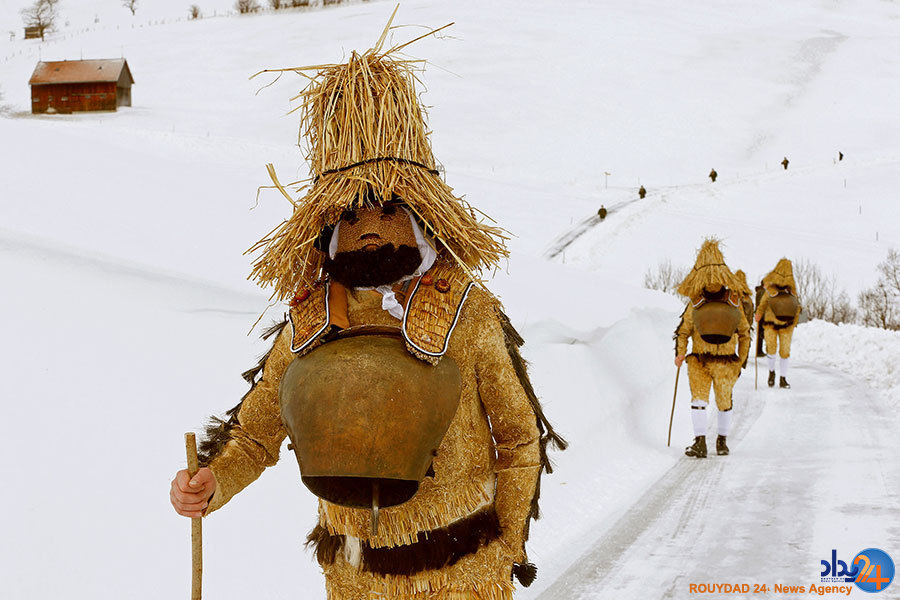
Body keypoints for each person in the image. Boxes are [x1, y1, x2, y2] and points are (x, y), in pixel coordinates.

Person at [169, 42, 565, 600]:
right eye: (352, 215)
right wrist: (214, 481)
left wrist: (506, 546)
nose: (370, 229)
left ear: (418, 216)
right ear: (330, 229)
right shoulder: (309, 322)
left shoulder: (467, 312)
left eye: (386, 210)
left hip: (462, 578)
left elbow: (520, 437)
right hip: (354, 580)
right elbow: (258, 432)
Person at [674, 239, 750, 458]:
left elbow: (683, 331)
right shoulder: (727, 302)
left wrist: (680, 352)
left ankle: (712, 441)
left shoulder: (700, 302)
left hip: (711, 361)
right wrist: (740, 361)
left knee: (712, 402)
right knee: (712, 401)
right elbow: (745, 333)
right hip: (707, 361)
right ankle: (710, 442)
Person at [755, 258, 802, 389]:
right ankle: (771, 373)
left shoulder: (792, 292)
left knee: (785, 351)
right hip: (770, 324)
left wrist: (794, 322)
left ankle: (783, 378)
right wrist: (758, 314)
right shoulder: (769, 290)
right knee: (771, 348)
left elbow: (797, 307)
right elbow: (762, 304)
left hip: (787, 325)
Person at [733, 269, 755, 369]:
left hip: (732, 329)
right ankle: (742, 363)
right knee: (744, 346)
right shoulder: (748, 299)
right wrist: (749, 326)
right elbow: (750, 316)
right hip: (745, 328)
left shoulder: (730, 297)